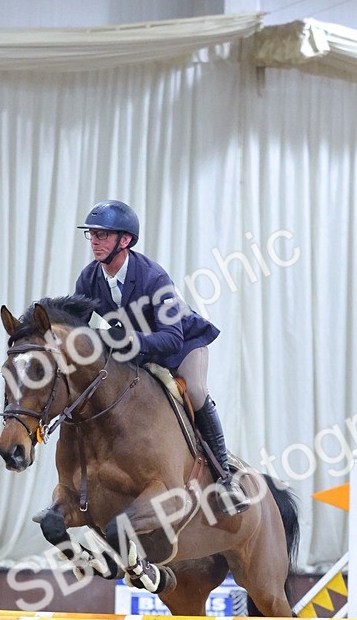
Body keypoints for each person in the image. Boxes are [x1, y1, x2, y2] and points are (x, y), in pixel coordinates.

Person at [75, 199, 250, 513]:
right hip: (140, 349)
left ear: (124, 240)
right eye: (92, 235)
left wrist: (125, 338)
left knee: (195, 391)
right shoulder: (89, 279)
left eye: (103, 235)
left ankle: (224, 478)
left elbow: (171, 338)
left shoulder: (154, 278)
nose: (95, 242)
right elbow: (78, 326)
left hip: (183, 345)